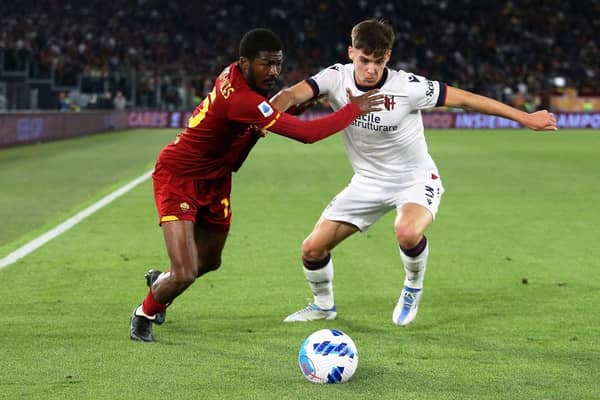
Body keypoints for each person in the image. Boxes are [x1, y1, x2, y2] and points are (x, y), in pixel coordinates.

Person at [270, 19, 557, 326]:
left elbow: (468, 99)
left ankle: (412, 285)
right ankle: (323, 306)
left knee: (407, 231)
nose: (370, 69)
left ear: (388, 57)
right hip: (367, 182)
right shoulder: (334, 78)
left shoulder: (407, 87)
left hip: (414, 179)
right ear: (351, 52)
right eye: (364, 60)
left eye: (378, 62)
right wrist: (266, 115)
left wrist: (525, 118)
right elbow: (290, 95)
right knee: (312, 249)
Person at [129, 28, 384, 342]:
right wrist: (353, 109)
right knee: (185, 272)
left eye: (277, 64)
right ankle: (144, 313)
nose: (274, 72)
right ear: (245, 63)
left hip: (216, 179)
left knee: (209, 261)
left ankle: (160, 282)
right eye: (266, 64)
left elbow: (251, 121)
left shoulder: (238, 76)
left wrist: (258, 126)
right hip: (179, 176)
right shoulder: (242, 97)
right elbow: (307, 135)